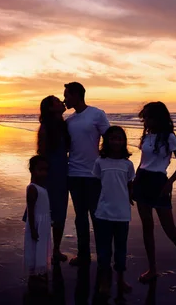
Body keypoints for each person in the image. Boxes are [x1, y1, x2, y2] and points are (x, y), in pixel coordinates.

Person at [132, 102, 176, 291]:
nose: (145, 120)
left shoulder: (169, 137)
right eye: (144, 117)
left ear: (158, 117)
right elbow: (143, 162)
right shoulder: (146, 136)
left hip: (159, 183)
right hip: (142, 181)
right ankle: (152, 269)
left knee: (170, 231)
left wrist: (169, 183)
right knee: (147, 228)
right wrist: (134, 184)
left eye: (148, 116)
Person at [63, 82, 110, 266]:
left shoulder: (97, 114)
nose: (64, 99)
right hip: (73, 174)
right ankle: (83, 255)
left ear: (76, 95)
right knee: (80, 217)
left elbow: (109, 139)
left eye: (67, 95)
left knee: (97, 217)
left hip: (93, 175)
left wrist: (106, 165)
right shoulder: (69, 121)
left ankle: (102, 256)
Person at [92, 126, 135, 295]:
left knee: (121, 248)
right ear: (107, 141)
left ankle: (120, 279)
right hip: (103, 213)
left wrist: (130, 196)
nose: (116, 141)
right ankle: (104, 280)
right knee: (103, 250)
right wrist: (97, 203)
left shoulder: (128, 164)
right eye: (113, 138)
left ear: (124, 142)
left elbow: (130, 185)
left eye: (120, 138)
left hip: (122, 214)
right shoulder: (100, 162)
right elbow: (96, 183)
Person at [37, 95, 70, 263]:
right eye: (57, 101)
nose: (62, 102)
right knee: (44, 212)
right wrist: (39, 179)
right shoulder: (45, 128)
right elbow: (41, 154)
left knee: (59, 212)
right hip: (49, 174)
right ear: (50, 108)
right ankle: (42, 248)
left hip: (62, 173)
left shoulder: (64, 126)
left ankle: (56, 249)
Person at [24, 155, 52, 283]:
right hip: (36, 224)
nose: (43, 173)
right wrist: (33, 229)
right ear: (32, 170)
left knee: (42, 246)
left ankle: (40, 270)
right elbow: (30, 210)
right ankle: (36, 272)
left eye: (46, 170)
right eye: (40, 170)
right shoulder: (32, 189)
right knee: (36, 247)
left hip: (43, 223)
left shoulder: (42, 187)